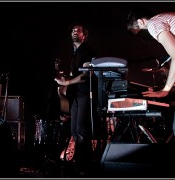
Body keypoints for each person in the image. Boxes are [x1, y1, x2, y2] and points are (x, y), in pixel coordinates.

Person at [54, 22, 99, 177]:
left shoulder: (87, 51)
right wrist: (63, 78)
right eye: (73, 30)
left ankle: (84, 165)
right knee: (74, 131)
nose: (75, 31)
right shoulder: (75, 53)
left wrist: (67, 82)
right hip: (75, 96)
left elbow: (86, 74)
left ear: (84, 36)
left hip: (85, 94)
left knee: (81, 131)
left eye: (78, 30)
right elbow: (74, 76)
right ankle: (77, 163)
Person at [126, 8, 175, 98]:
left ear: (140, 22)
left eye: (139, 30)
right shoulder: (163, 17)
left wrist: (165, 90)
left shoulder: (153, 24)